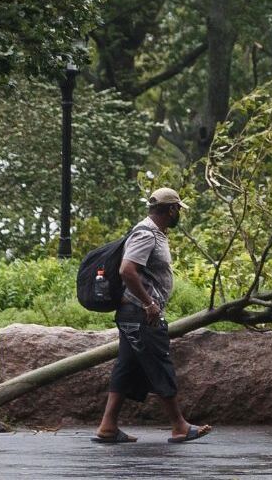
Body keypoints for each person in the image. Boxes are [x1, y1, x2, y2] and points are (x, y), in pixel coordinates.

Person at [93, 188, 212, 444]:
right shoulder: (147, 234)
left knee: (126, 366)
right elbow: (127, 270)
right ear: (170, 210)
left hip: (132, 313)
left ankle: (108, 426)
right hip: (141, 314)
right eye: (178, 209)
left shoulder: (153, 232)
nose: (179, 213)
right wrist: (149, 304)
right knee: (160, 363)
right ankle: (179, 426)